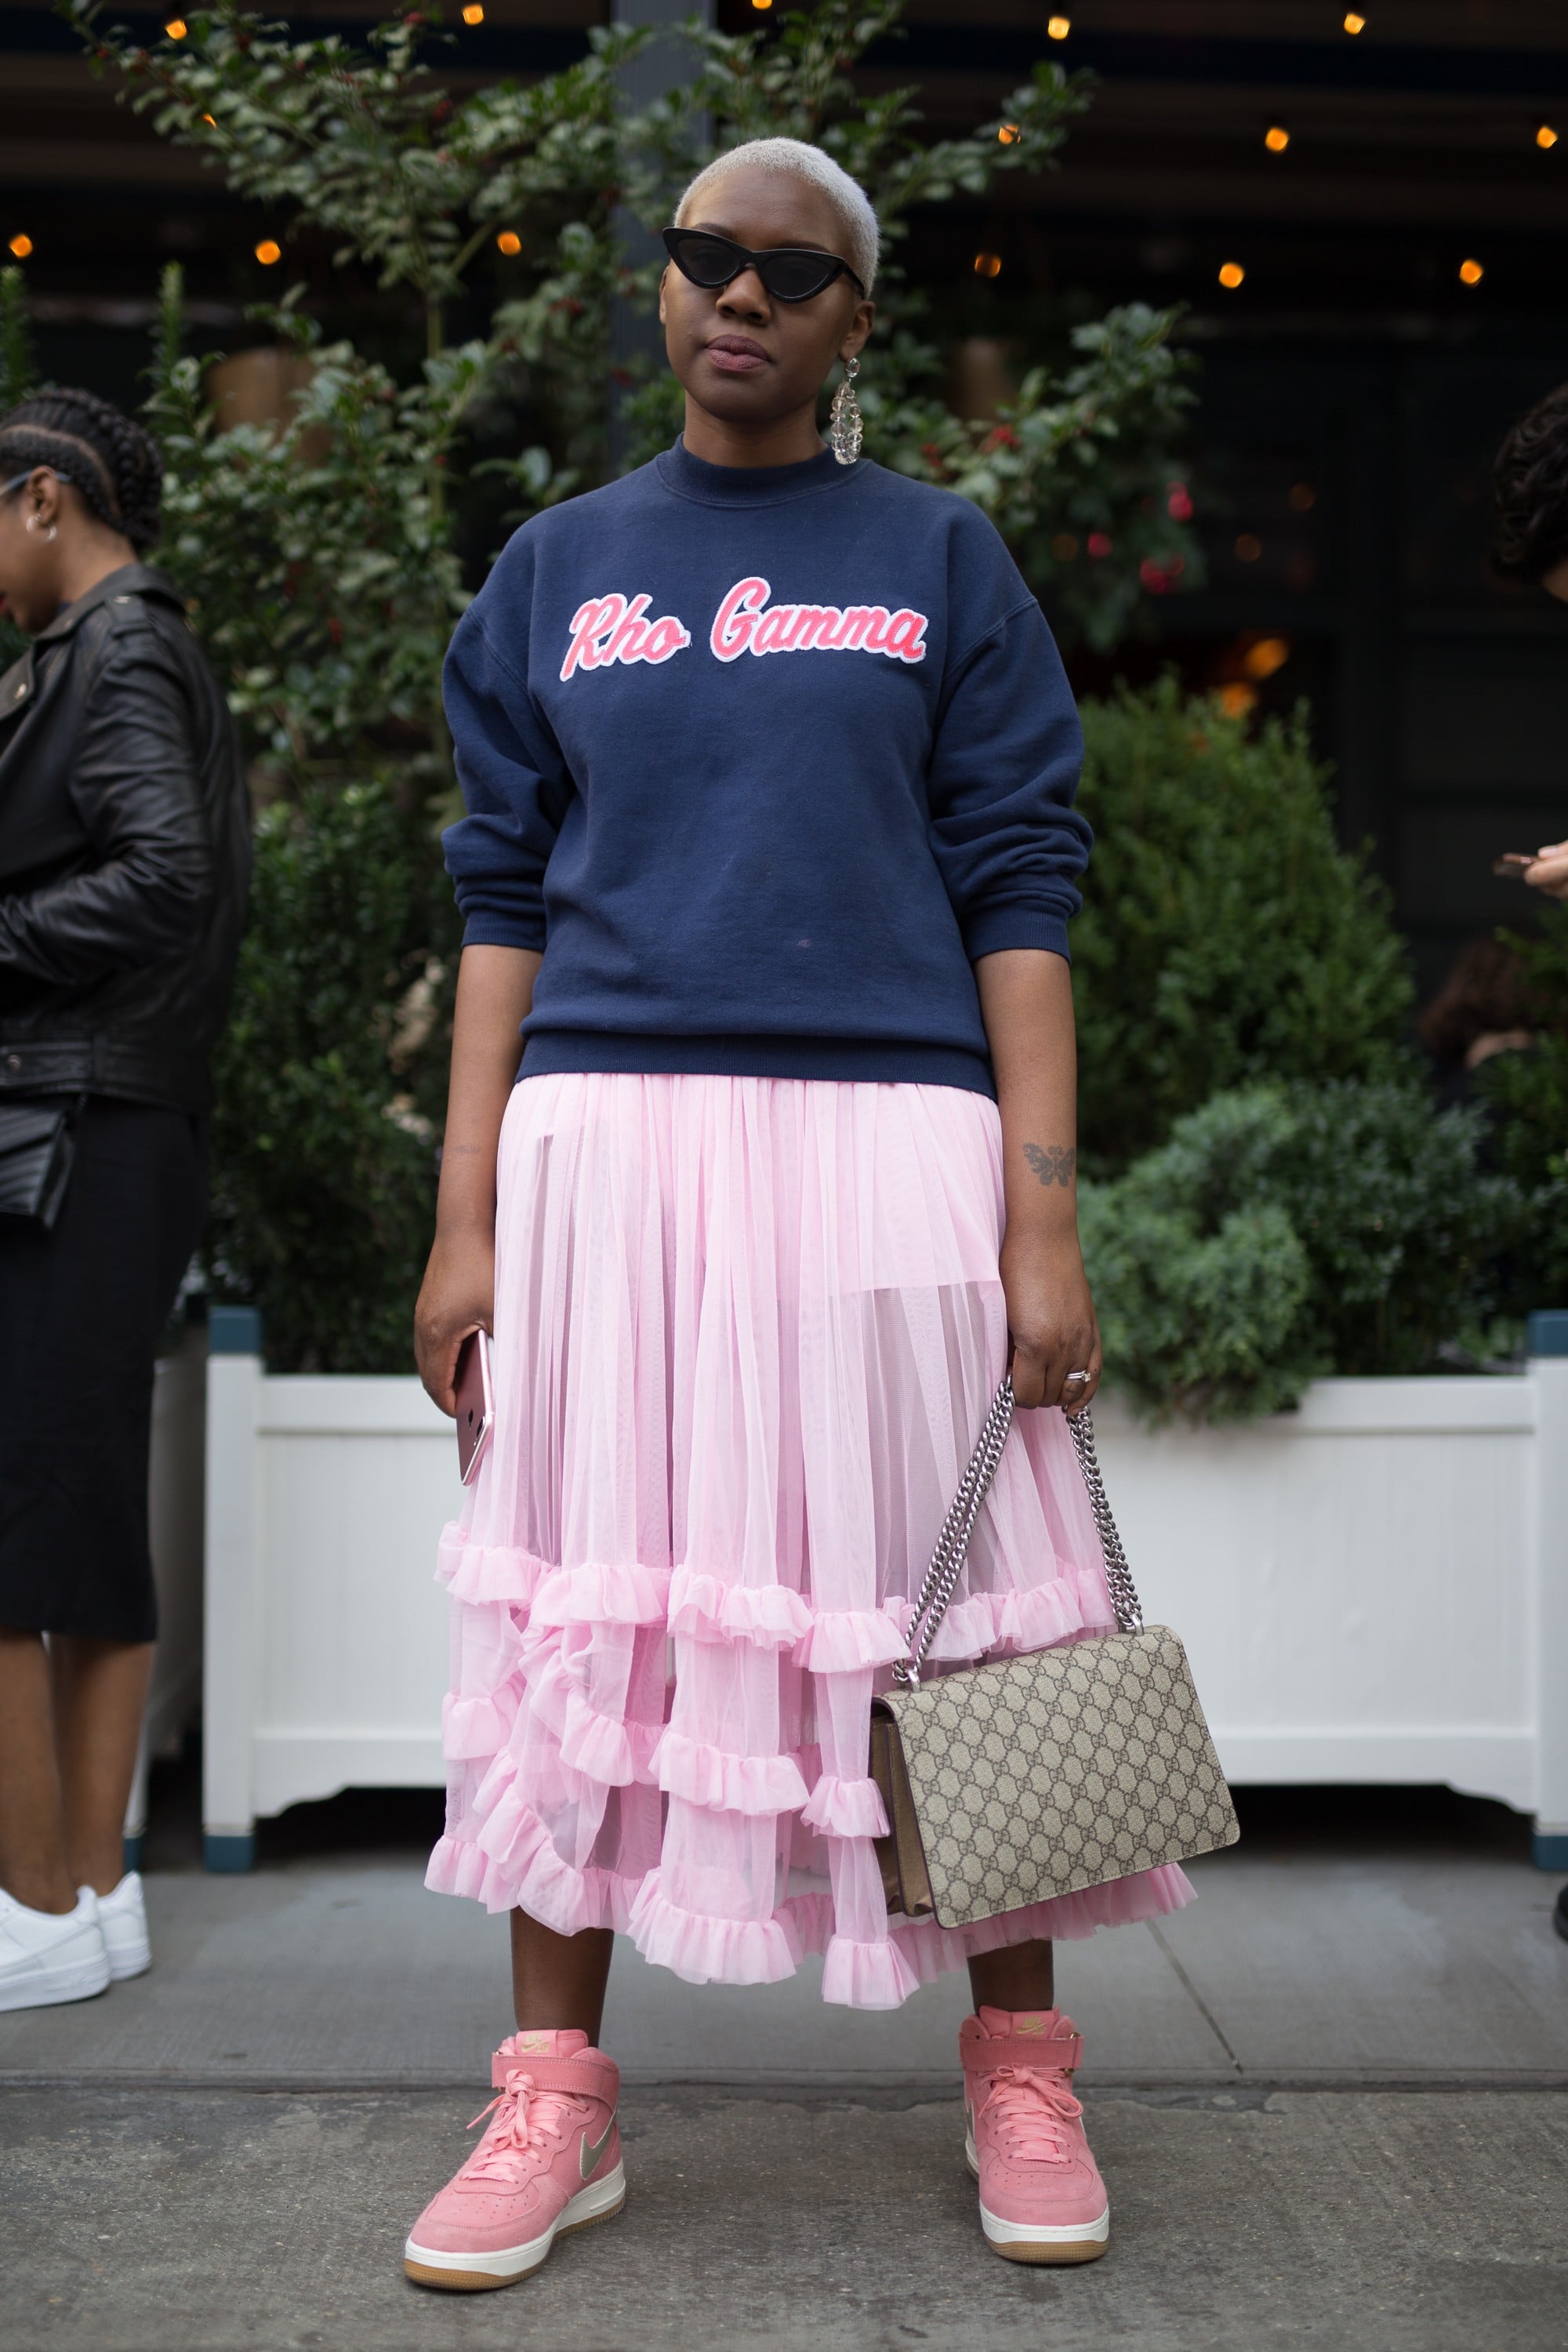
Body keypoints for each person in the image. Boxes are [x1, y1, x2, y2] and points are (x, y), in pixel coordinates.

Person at [407, 137, 1193, 2288]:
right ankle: (553, 2103)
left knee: (958, 1607)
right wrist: (463, 1216)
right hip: (609, 1148)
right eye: (703, 260)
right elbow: (499, 906)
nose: (737, 296)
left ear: (853, 322)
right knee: (587, 1611)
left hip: (889, 1137)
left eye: (792, 271)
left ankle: (1020, 2063)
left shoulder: (940, 554)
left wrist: (1046, 1215)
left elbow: (1024, 890)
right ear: (659, 291)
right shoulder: (556, 568)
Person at [0, 390, 249, 2009]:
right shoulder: (106, 650)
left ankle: (28, 1903)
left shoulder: (115, 648)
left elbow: (170, 876)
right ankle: (86, 1893)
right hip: (99, 1124)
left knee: (26, 1520)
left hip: (74, 1121)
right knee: (75, 1518)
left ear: (40, 502)